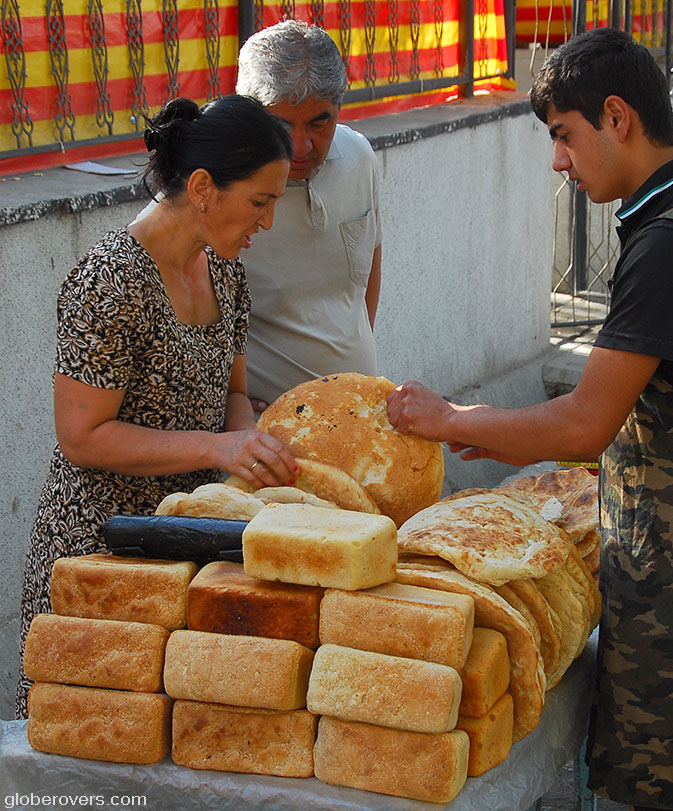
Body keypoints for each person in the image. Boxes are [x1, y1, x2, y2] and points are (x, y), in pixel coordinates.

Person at [386, 27, 673, 811]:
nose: (558, 162)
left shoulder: (669, 245)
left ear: (617, 117)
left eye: (564, 136)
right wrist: (496, 426)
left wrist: (445, 416)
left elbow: (582, 425)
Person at [16, 94, 298, 719]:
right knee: (96, 738)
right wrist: (215, 448)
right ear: (202, 187)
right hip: (103, 553)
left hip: (190, 546)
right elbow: (83, 435)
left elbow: (231, 393)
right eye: (260, 201)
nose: (268, 223)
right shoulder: (110, 280)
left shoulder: (225, 271)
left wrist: (250, 451)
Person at [235, 20, 382, 409]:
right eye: (280, 125)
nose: (300, 146)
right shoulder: (217, 183)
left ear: (339, 108)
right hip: (263, 435)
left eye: (319, 122)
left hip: (356, 416)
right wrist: (231, 406)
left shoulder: (359, 157)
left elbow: (365, 280)